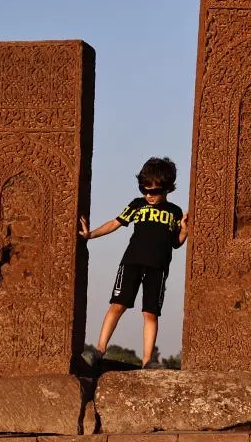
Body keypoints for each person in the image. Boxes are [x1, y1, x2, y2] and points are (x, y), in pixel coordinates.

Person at [79, 156, 188, 369]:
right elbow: (115, 223)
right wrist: (90, 235)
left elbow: (176, 243)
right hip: (131, 262)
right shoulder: (137, 205)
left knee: (150, 313)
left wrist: (184, 229)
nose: (148, 195)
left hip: (158, 267)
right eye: (144, 190)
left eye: (154, 191)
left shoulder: (174, 212)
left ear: (167, 189)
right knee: (117, 305)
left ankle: (147, 361)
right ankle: (100, 350)